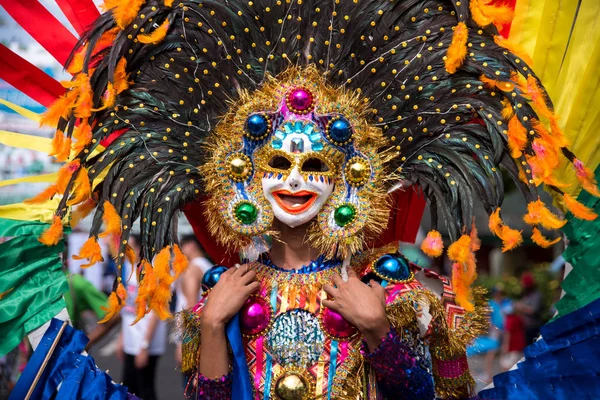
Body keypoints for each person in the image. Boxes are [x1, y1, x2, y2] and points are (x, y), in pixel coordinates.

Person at [2, 0, 598, 399]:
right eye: (276, 165)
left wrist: (378, 332)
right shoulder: (225, 291)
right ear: (245, 180)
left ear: (347, 180)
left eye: (315, 165)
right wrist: (211, 329)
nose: (294, 179)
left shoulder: (398, 288)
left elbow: (442, 396)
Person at [118, 235, 167, 400]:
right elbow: (128, 310)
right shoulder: (129, 269)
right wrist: (122, 338)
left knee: (145, 390)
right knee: (129, 388)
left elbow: (155, 313)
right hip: (131, 342)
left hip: (146, 344)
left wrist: (144, 346)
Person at [468, 286, 512, 383]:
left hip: (506, 331)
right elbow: (487, 317)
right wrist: (494, 328)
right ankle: (488, 373)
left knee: (504, 350)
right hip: (495, 331)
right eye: (498, 293)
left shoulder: (505, 302)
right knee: (492, 350)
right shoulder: (491, 304)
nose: (500, 295)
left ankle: (501, 374)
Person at [514, 272, 544, 345]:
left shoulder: (537, 295)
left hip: (534, 327)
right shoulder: (526, 295)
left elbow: (533, 311)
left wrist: (521, 307)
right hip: (525, 328)